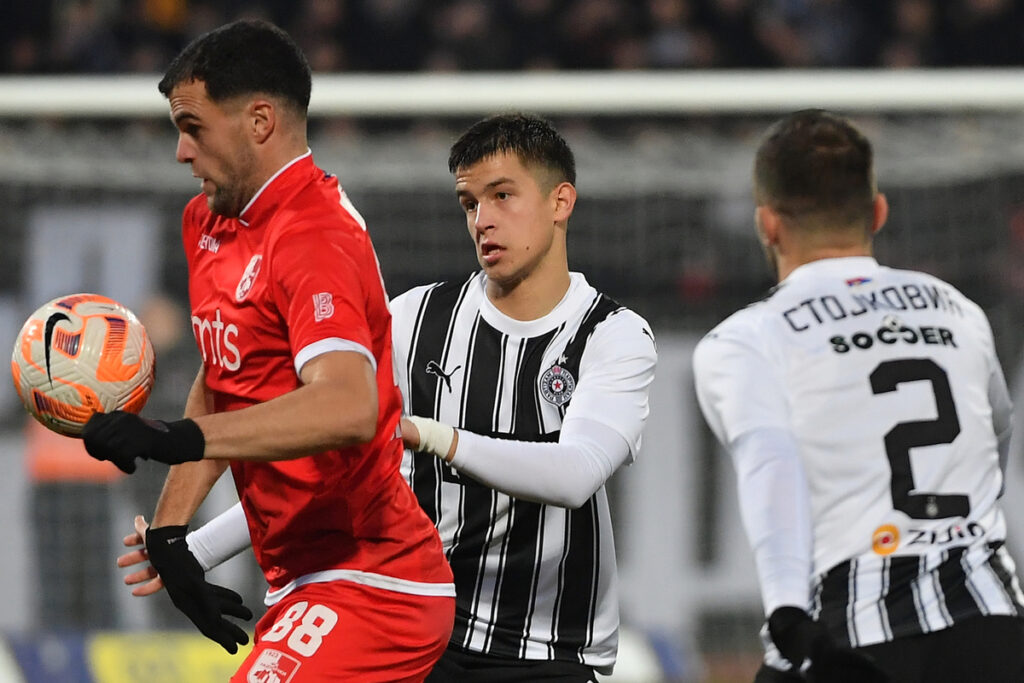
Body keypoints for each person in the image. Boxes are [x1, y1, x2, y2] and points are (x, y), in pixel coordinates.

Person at [117, 113, 658, 682]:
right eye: (470, 203)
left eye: (503, 196)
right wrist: (196, 548)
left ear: (560, 202)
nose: (484, 221)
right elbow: (328, 472)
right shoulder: (412, 319)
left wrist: (434, 436)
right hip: (419, 627)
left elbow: (576, 475)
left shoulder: (614, 335)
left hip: (550, 652)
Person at [81, 18, 455, 683]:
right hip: (300, 582)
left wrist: (176, 437)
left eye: (192, 127)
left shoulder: (315, 235)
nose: (180, 151)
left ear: (259, 121)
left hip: (374, 580)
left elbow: (348, 407)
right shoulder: (207, 221)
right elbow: (226, 369)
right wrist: (172, 532)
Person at [692, 109, 1024, 683]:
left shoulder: (745, 339)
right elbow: (996, 438)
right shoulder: (957, 309)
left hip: (852, 631)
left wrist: (787, 610)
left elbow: (772, 463)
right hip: (992, 623)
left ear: (767, 225)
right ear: (877, 211)